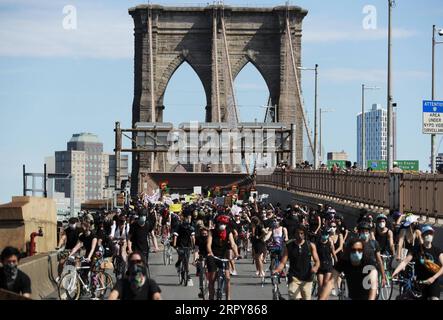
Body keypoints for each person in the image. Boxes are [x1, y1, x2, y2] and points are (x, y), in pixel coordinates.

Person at [392, 225, 443, 300]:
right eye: (427, 233)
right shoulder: (416, 249)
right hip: (420, 283)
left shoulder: (437, 250)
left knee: (434, 298)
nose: (429, 235)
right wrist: (395, 272)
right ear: (422, 236)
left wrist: (433, 278)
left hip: (433, 283)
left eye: (431, 233)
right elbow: (405, 262)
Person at [273, 225, 320, 300]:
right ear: (294, 234)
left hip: (307, 277)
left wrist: (315, 267)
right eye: (297, 233)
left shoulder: (310, 245)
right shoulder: (289, 246)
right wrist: (277, 270)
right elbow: (283, 262)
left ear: (304, 234)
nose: (299, 235)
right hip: (293, 277)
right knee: (294, 298)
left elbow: (317, 261)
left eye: (301, 233)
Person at [206, 214, 239, 300]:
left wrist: (236, 254)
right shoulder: (211, 232)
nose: (222, 225)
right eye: (220, 223)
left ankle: (228, 298)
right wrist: (210, 253)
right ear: (217, 223)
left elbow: (233, 244)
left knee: (227, 278)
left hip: (223, 257)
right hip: (213, 256)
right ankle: (211, 297)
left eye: (224, 223)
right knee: (212, 279)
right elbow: (208, 244)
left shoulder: (228, 232)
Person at [173, 215, 196, 286]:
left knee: (182, 258)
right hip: (186, 246)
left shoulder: (179, 227)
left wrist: (174, 245)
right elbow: (193, 238)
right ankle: (186, 271)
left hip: (181, 246)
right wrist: (193, 246)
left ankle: (180, 267)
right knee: (186, 260)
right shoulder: (190, 228)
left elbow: (175, 237)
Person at [316, 230, 337, 297]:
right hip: (320, 266)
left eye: (326, 234)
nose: (325, 235)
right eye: (323, 234)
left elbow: (334, 255)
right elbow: (314, 255)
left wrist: (338, 265)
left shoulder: (330, 244)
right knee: (320, 284)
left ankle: (325, 298)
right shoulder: (317, 244)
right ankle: (320, 297)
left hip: (328, 266)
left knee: (325, 284)